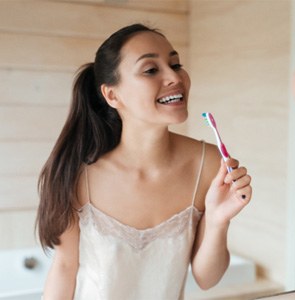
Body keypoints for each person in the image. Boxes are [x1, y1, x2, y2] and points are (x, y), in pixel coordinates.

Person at [36, 23, 252, 300]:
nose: (174, 76)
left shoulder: (208, 163)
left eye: (176, 64)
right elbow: (64, 269)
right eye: (151, 69)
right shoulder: (77, 175)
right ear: (112, 95)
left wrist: (219, 220)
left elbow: (207, 278)